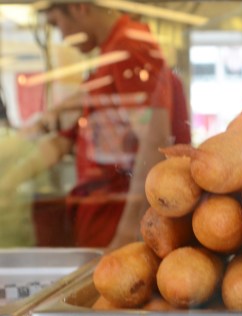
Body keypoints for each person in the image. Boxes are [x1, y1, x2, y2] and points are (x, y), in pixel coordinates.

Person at [0, 2, 184, 249]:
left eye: (56, 23)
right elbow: (65, 140)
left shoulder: (130, 47)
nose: (62, 36)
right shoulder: (110, 54)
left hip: (118, 225)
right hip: (100, 221)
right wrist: (9, 181)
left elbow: (155, 143)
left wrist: (128, 233)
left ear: (79, 7)